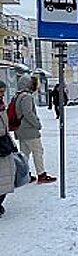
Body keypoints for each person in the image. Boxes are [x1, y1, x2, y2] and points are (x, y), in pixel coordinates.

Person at [14, 74, 56, 184]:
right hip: (29, 130)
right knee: (38, 151)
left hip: (21, 129)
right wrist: (37, 124)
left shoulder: (17, 96)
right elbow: (28, 113)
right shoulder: (26, 97)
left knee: (24, 154)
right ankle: (41, 175)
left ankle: (25, 175)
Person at [0, 80, 16, 216]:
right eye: (0, 92)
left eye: (3, 92)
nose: (2, 95)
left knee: (7, 176)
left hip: (4, 145)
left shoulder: (1, 106)